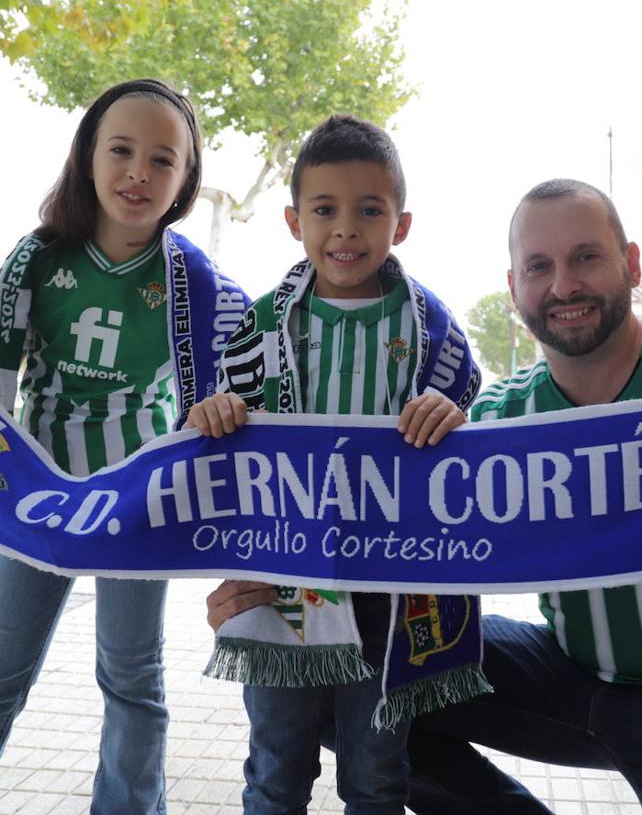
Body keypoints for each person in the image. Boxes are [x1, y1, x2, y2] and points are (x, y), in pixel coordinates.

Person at [207, 179, 642, 815]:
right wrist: (256, 589)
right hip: (564, 673)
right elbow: (378, 517)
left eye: (586, 257)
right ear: (514, 288)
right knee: (341, 665)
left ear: (631, 264)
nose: (563, 286)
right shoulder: (496, 419)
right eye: (539, 266)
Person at [187, 114, 483, 815]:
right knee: (275, 768)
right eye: (324, 209)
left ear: (400, 225)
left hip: (392, 593)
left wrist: (452, 417)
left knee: (378, 776)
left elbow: (464, 439)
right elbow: (218, 450)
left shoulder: (432, 329)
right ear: (294, 220)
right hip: (279, 584)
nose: (345, 228)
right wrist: (215, 413)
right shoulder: (257, 327)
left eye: (368, 210)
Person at [0, 78, 250, 814]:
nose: (138, 172)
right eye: (121, 150)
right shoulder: (35, 260)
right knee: (4, 667)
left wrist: (232, 404)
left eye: (162, 159)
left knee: (133, 678)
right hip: (38, 500)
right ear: (85, 158)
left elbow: (258, 368)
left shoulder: (195, 280)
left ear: (185, 181)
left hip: (138, 503)